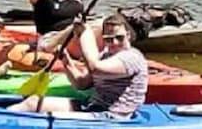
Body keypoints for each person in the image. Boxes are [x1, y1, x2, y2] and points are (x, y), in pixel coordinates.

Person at [8, 14, 148, 119]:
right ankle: (2, 118)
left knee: (49, 116)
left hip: (112, 116)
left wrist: (85, 34)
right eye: (108, 39)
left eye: (119, 38)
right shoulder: (106, 55)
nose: (114, 43)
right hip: (93, 108)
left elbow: (95, 67)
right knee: (33, 102)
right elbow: (81, 84)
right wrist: (66, 60)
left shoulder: (131, 57)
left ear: (128, 35)